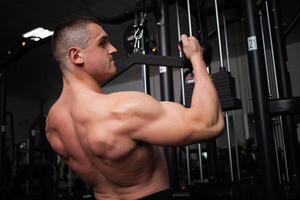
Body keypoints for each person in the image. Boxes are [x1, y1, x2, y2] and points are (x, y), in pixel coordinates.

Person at [45, 16, 224, 200]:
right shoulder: (122, 109)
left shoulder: (53, 124)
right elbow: (209, 123)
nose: (113, 49)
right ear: (76, 56)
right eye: (102, 43)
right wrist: (197, 58)